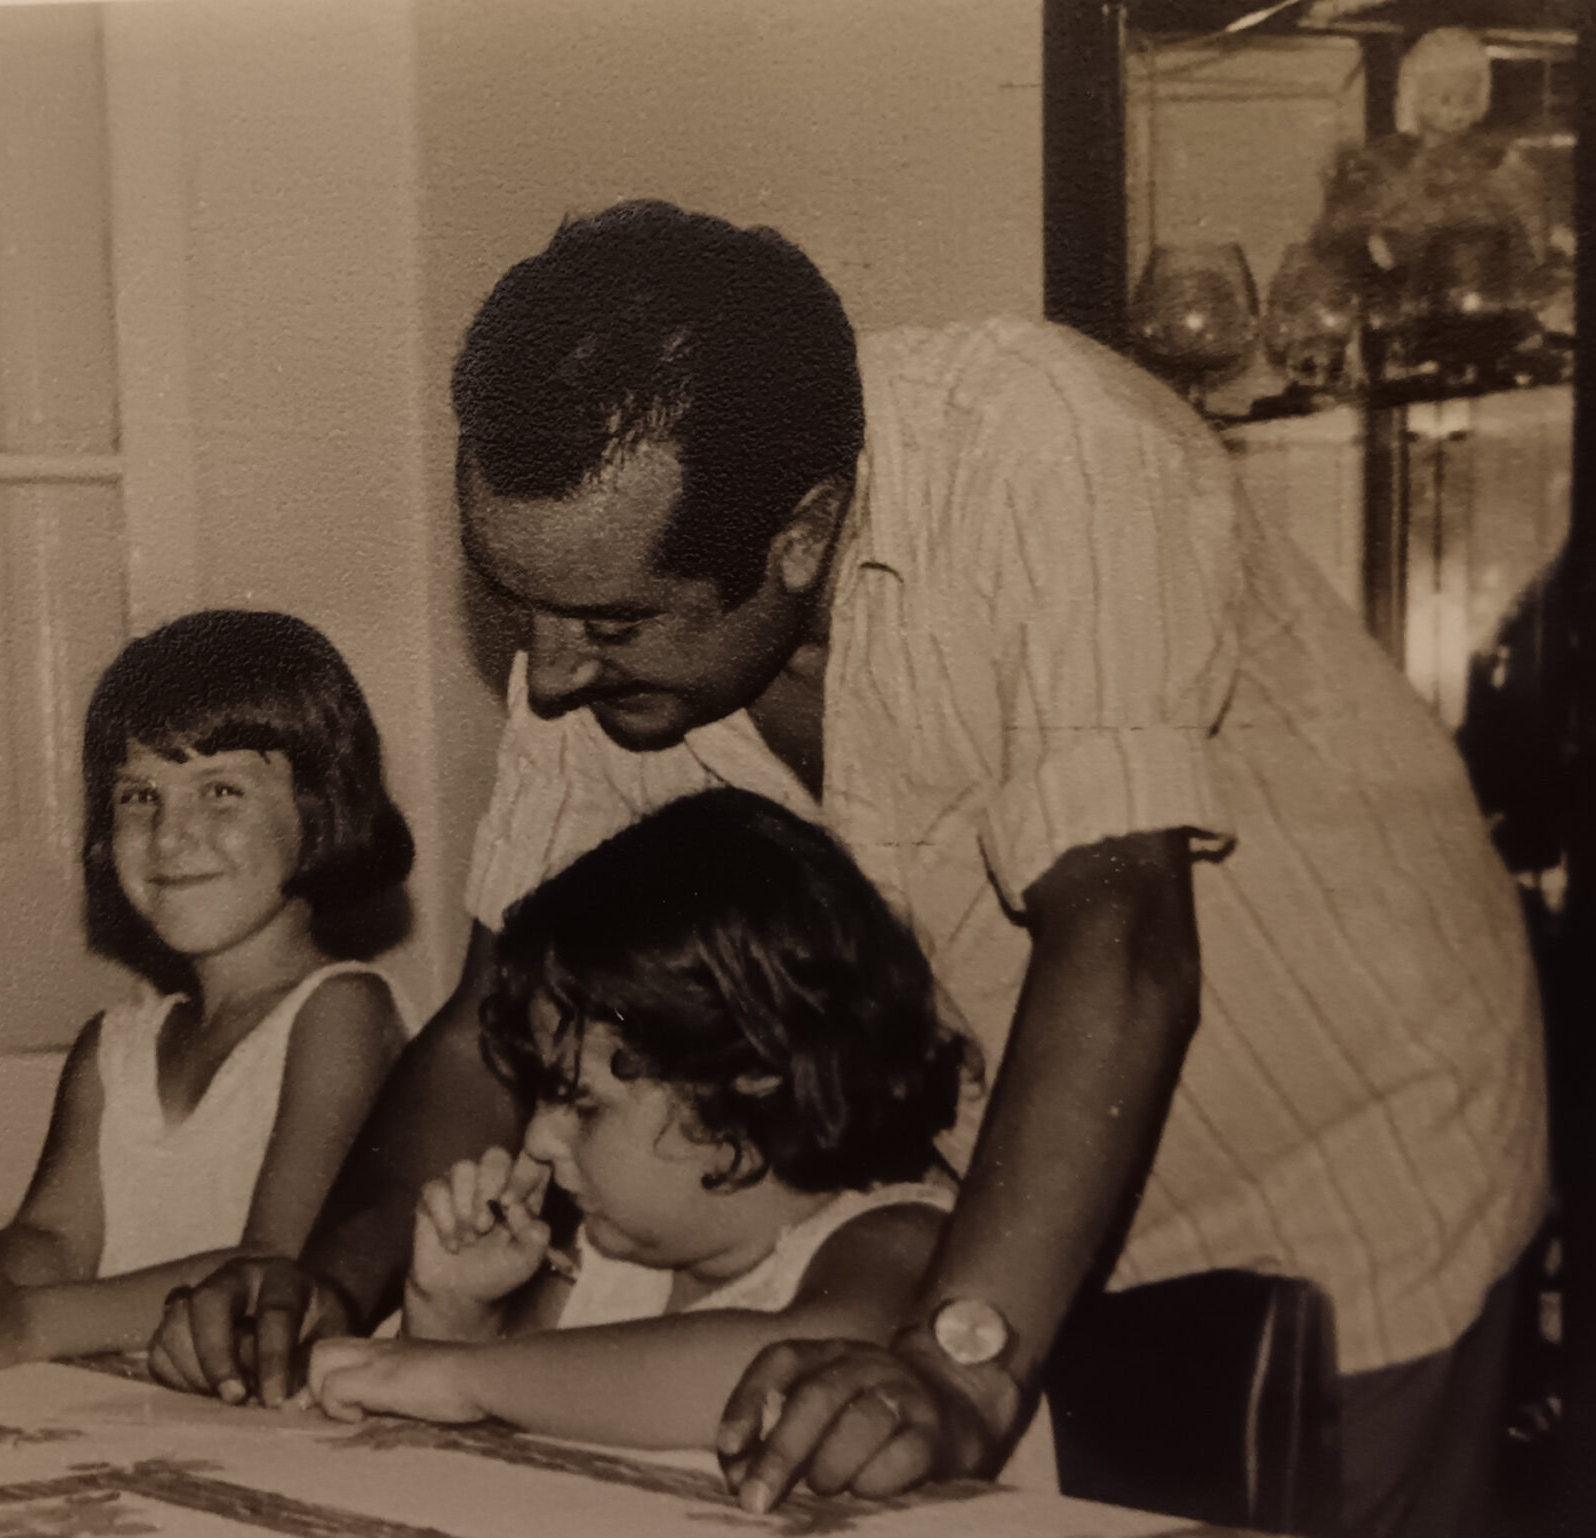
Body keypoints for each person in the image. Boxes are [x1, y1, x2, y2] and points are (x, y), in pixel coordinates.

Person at [152, 202, 1546, 1538]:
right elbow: (492, 1019)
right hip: (1003, 1226)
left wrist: (960, 1362)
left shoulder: (1052, 448)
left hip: (1338, 1174)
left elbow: (1120, 941)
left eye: (609, 624)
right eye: (517, 605)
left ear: (802, 533)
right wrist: (323, 1282)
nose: (550, 671)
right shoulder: (597, 603)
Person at [300, 789, 1024, 1463]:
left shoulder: (900, 1235)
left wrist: (462, 1375)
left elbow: (793, 1364)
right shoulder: (609, 1262)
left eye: (583, 1103)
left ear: (751, 1074)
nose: (538, 1141)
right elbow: (501, 1446)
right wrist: (454, 1319)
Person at [0, 610, 414, 1373]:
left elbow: (271, 1267)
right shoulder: (115, 1048)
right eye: (138, 796)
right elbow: (56, 1239)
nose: (169, 834)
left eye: (219, 790)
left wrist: (27, 1323)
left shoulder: (340, 1013)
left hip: (288, 1403)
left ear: (322, 808)